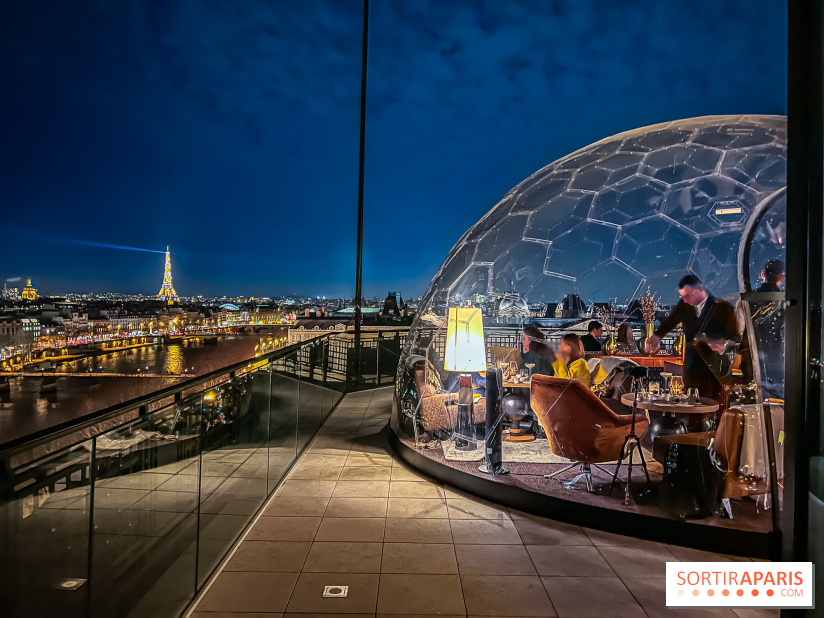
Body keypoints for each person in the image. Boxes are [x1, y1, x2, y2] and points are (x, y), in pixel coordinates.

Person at [646, 274, 738, 402]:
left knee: (715, 405)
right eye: (682, 297)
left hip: (715, 369)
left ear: (701, 288)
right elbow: (670, 321)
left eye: (688, 296)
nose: (684, 300)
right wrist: (657, 336)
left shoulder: (723, 308)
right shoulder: (684, 306)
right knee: (691, 405)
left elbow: (735, 338)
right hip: (691, 368)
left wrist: (724, 345)